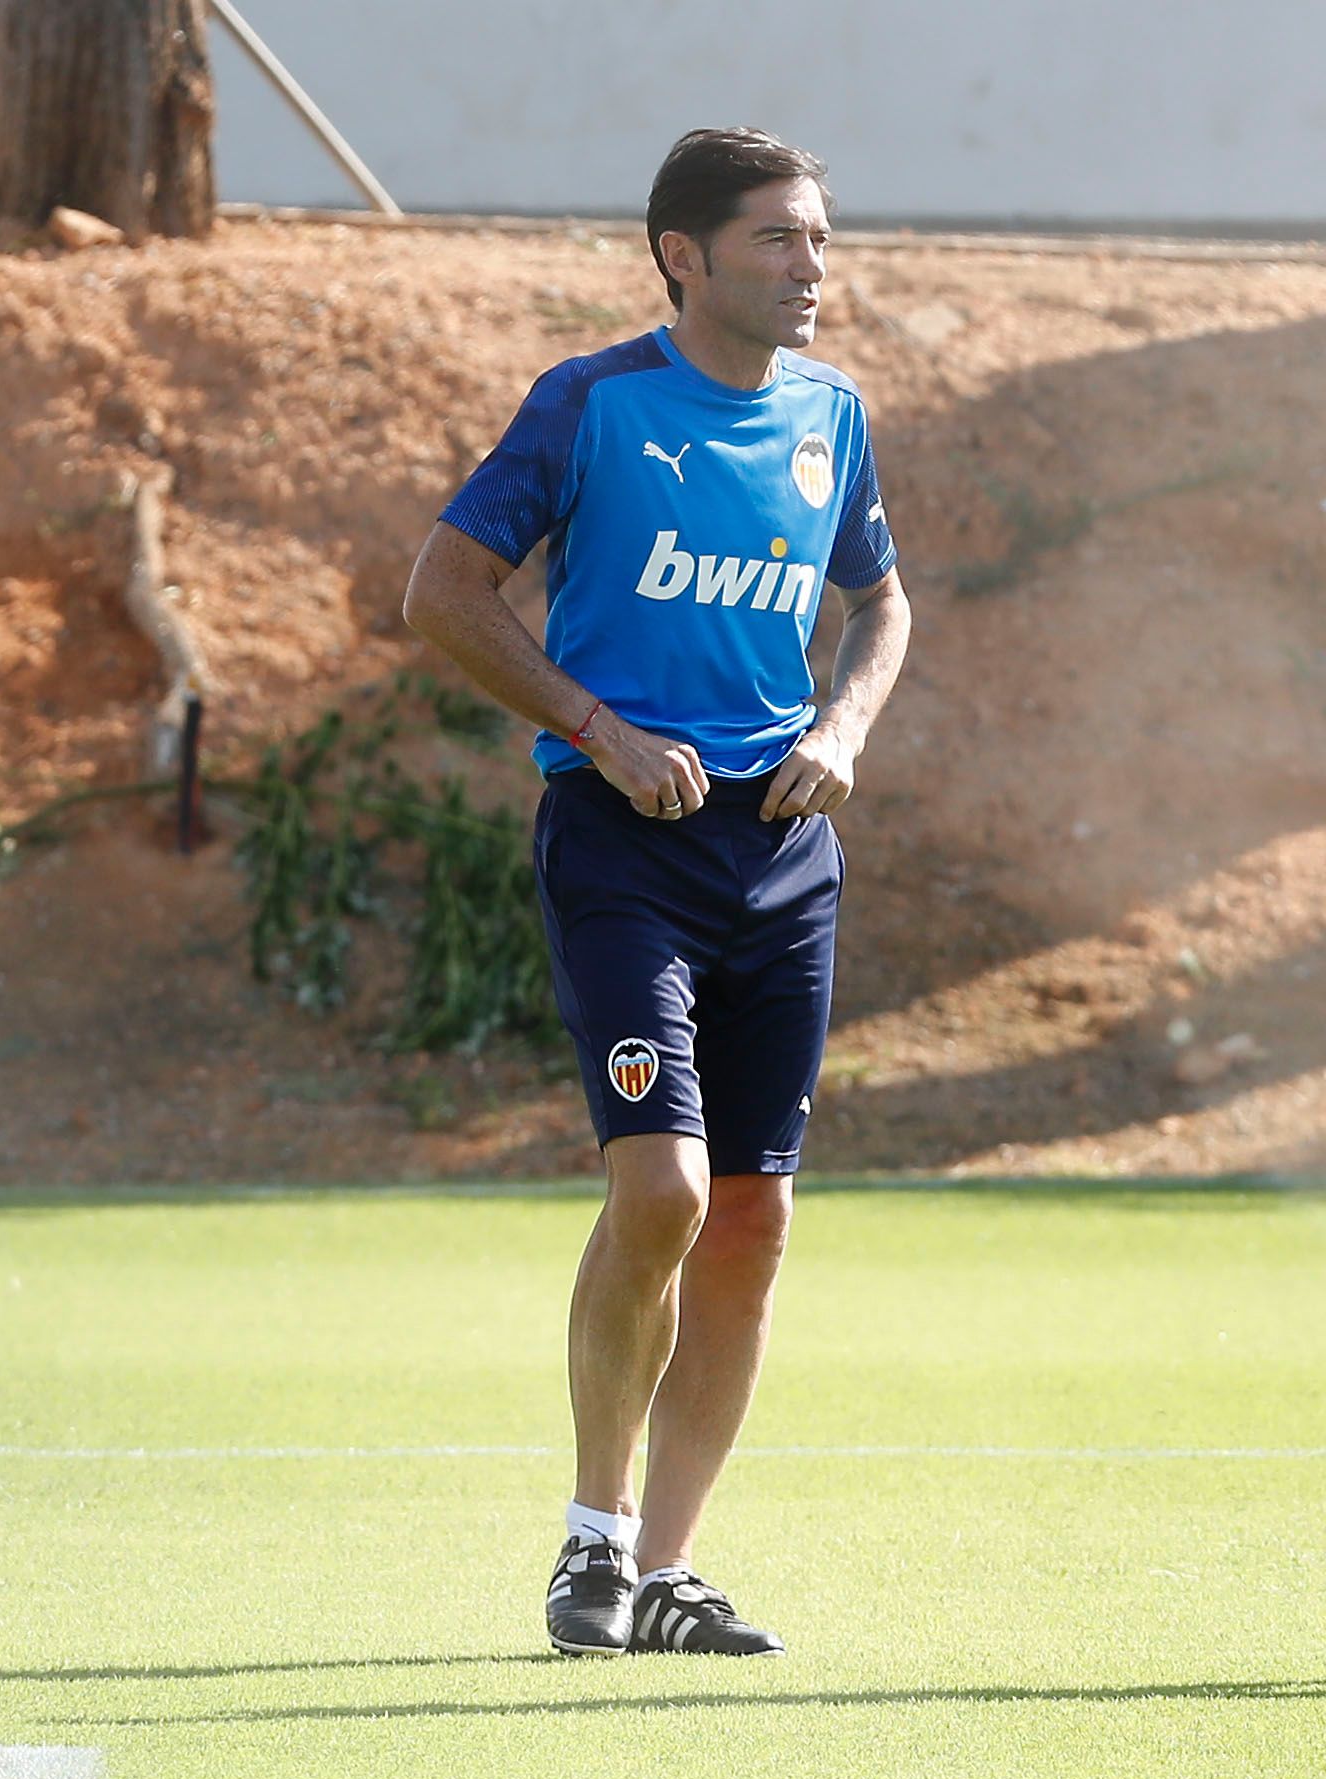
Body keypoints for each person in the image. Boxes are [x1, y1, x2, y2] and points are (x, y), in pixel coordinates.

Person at [402, 126, 912, 1658]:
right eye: (777, 239)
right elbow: (441, 594)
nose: (811, 267)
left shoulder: (833, 415)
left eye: (819, 238)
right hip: (625, 845)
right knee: (666, 1193)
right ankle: (592, 1536)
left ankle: (673, 1572)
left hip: (783, 856)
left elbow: (883, 603)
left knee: (753, 1222)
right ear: (683, 257)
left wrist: (841, 727)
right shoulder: (591, 404)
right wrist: (600, 732)